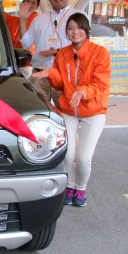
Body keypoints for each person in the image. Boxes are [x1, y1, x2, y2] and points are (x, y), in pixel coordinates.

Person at [32, 13, 111, 207]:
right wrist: (51, 73)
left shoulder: (100, 53)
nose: (75, 32)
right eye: (70, 28)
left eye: (79, 27)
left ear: (87, 30)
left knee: (83, 158)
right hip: (69, 110)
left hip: (93, 112)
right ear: (66, 32)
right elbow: (60, 84)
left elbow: (101, 84)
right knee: (67, 155)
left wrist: (82, 91)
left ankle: (80, 189)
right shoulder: (62, 54)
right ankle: (69, 186)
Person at [20, 0, 81, 104]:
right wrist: (22, 20)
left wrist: (58, 52)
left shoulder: (78, 16)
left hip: (66, 74)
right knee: (38, 110)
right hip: (40, 74)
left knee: (65, 112)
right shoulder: (39, 19)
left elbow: (83, 47)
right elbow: (26, 43)